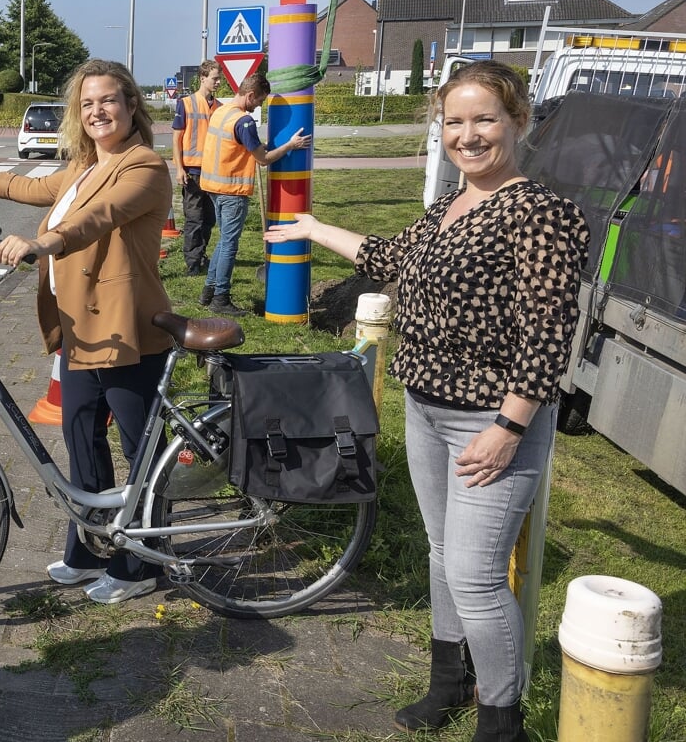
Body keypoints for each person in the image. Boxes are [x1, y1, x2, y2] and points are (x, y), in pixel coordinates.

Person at [264, 60, 588, 742]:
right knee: (442, 555)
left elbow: (547, 333)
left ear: (517, 121)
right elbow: (385, 255)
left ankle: (502, 721)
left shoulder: (538, 212)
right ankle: (448, 682)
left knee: (474, 577)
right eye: (454, 121)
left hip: (491, 419)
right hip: (426, 406)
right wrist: (313, 228)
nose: (466, 135)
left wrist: (508, 425)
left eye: (483, 120)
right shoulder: (448, 206)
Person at [0, 58, 172, 605]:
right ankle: (88, 548)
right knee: (80, 438)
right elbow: (41, 188)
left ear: (130, 107)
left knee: (140, 449)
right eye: (88, 103)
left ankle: (141, 563)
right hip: (81, 328)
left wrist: (41, 245)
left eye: (109, 100)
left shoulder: (143, 166)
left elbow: (97, 218)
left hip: (126, 329)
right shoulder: (81, 166)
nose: (98, 111)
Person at [197, 71, 312, 316]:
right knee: (229, 244)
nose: (259, 105)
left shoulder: (221, 111)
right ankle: (221, 298)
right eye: (259, 100)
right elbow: (263, 159)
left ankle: (208, 291)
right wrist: (290, 145)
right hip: (232, 191)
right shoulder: (244, 122)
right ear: (250, 95)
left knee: (223, 241)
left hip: (213, 188)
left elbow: (242, 146)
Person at [171, 60, 222, 279]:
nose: (218, 82)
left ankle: (200, 255)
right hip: (191, 171)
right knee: (194, 219)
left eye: (219, 78)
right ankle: (193, 263)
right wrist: (179, 168)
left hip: (213, 172)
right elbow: (177, 138)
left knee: (209, 219)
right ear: (202, 78)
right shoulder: (187, 103)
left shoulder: (220, 107)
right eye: (215, 78)